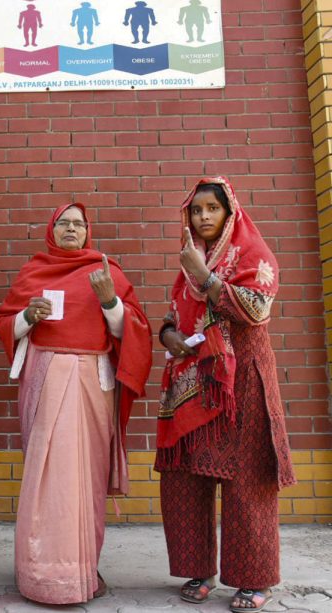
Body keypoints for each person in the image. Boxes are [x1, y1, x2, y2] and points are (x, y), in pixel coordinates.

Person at [0, 203, 152, 605]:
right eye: (63, 223)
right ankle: (41, 574)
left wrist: (109, 301)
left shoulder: (107, 271)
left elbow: (133, 329)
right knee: (50, 477)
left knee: (85, 478)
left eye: (78, 224)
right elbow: (5, 322)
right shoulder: (34, 270)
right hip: (46, 378)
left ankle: (83, 568)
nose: (71, 229)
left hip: (93, 383)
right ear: (52, 229)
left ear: (88, 232)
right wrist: (28, 316)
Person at [156, 177, 296, 613]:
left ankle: (253, 579)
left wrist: (207, 278)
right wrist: (170, 336)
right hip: (194, 384)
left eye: (212, 209)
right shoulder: (190, 261)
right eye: (196, 210)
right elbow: (173, 314)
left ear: (229, 212)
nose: (203, 217)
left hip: (244, 384)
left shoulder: (254, 254)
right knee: (188, 475)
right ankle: (200, 570)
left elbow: (256, 310)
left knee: (246, 480)